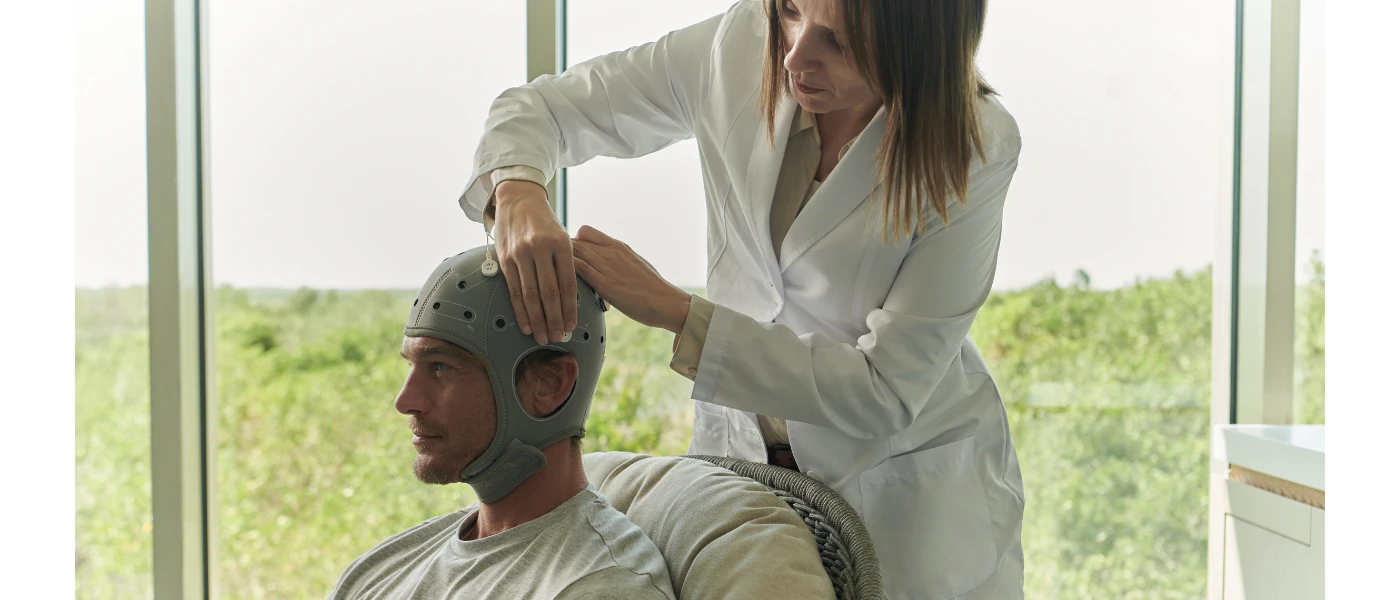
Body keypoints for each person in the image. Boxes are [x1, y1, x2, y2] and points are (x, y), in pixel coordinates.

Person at [460, 0, 1025, 598]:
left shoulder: (977, 146)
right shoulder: (734, 46)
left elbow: (883, 390)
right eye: (788, 11)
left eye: (839, 40)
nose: (794, 55)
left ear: (920, 44)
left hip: (907, 493)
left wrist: (679, 313)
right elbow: (543, 107)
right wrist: (518, 191)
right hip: (741, 470)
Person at [329, 246, 675, 600]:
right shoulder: (380, 568)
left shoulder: (599, 583)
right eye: (411, 366)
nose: (405, 401)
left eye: (440, 367)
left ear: (550, 386)